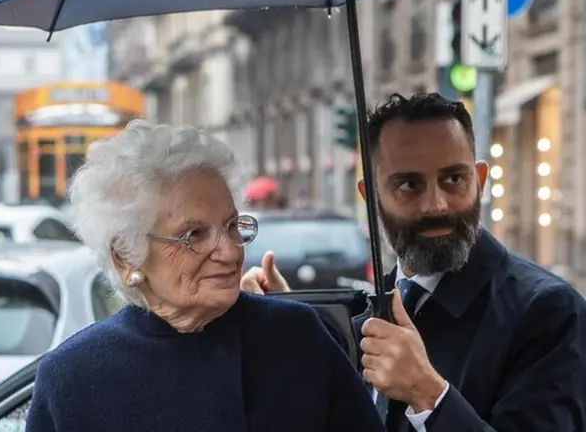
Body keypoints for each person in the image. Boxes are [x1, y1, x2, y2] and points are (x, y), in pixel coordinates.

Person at [242, 92, 586, 431]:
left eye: (454, 179)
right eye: (409, 185)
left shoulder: (549, 313)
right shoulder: (376, 306)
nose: (436, 205)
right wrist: (293, 323)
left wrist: (428, 393)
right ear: (370, 196)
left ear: (479, 181)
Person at [25, 120, 384, 432]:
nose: (229, 251)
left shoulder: (296, 336)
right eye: (193, 235)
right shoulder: (72, 378)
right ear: (126, 255)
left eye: (231, 226)